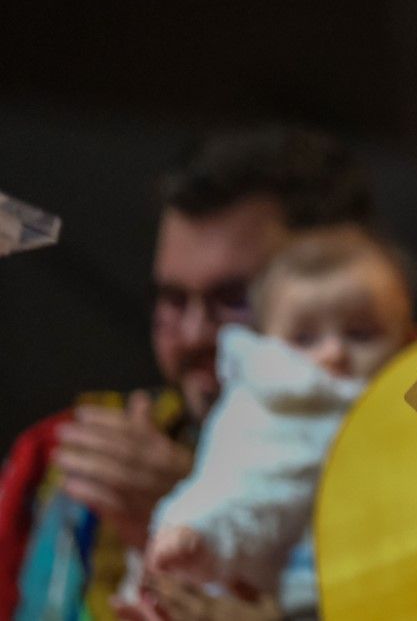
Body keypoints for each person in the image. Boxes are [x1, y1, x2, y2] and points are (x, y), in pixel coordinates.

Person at [0, 127, 373, 620]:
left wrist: (193, 517)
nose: (195, 334)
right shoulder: (61, 457)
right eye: (173, 300)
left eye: (235, 298)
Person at [139, 228, 417, 618]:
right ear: (267, 341)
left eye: (360, 334)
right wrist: (197, 533)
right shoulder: (274, 406)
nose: (334, 352)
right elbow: (245, 488)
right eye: (304, 338)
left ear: (407, 338)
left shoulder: (416, 410)